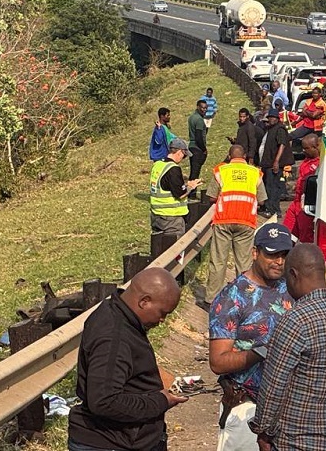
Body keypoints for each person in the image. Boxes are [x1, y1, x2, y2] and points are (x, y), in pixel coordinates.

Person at [250, 244, 326, 451]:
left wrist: (263, 431)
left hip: (295, 442)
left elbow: (273, 388)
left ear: (293, 274)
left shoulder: (295, 320)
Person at [68, 268, 188, 451]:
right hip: (112, 443)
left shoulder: (116, 312)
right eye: (162, 313)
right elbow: (104, 401)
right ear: (144, 301)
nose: (162, 320)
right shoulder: (114, 337)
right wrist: (161, 401)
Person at [209, 223, 294, 451]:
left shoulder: (292, 289)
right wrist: (261, 351)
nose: (279, 261)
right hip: (246, 409)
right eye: (272, 254)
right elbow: (218, 362)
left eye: (285, 255)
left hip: (288, 412)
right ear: (255, 252)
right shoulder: (232, 297)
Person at [204, 145, 268, 306]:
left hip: (223, 219)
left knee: (218, 260)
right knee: (244, 262)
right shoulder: (255, 173)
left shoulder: (221, 170)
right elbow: (262, 200)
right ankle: (245, 300)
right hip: (246, 221)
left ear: (229, 155)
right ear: (245, 156)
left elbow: (211, 196)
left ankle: (212, 299)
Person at [150, 138, 200, 245]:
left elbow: (166, 186)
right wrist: (191, 187)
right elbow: (180, 194)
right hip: (171, 218)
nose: (184, 158)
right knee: (174, 249)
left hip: (156, 216)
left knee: (159, 247)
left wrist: (186, 184)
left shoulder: (158, 165)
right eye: (184, 155)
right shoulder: (173, 169)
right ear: (179, 151)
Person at [282, 135, 320, 243]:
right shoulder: (306, 161)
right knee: (286, 233)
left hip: (306, 205)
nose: (303, 151)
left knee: (306, 237)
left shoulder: (320, 165)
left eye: (306, 148)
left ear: (316, 147)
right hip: (296, 203)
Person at [257, 110, 289, 219]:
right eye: (269, 118)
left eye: (272, 117)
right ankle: (270, 209)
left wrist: (276, 161)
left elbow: (282, 145)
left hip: (274, 164)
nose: (270, 120)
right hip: (268, 163)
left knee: (273, 188)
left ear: (276, 118)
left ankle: (274, 210)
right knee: (268, 187)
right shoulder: (270, 129)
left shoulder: (280, 129)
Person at [188, 99, 209, 184]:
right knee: (195, 173)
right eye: (202, 108)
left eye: (205, 108)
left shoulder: (192, 117)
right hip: (197, 148)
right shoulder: (199, 120)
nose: (204, 110)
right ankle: (192, 193)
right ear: (198, 107)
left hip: (191, 146)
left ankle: (190, 192)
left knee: (193, 171)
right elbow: (198, 137)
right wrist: (204, 149)